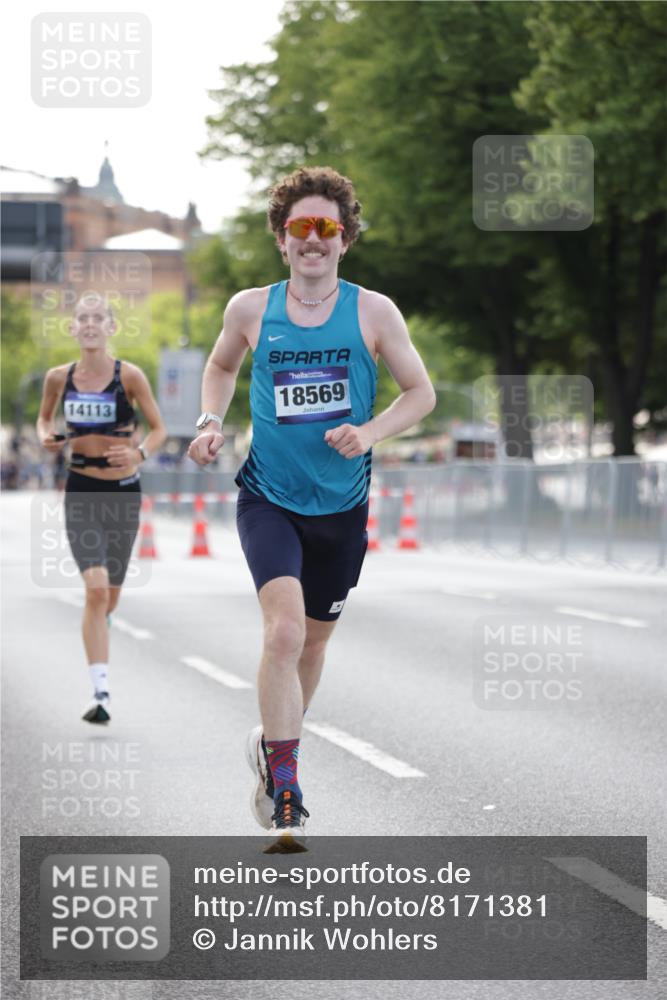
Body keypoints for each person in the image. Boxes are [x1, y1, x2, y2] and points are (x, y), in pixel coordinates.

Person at [188, 166, 436, 852]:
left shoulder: (373, 312)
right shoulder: (249, 308)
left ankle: (269, 746)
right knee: (285, 634)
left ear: (345, 239)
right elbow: (219, 366)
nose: (313, 239)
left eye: (327, 227)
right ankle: (288, 789)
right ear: (281, 238)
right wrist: (209, 421)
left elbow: (420, 394)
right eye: (301, 227)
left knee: (314, 644)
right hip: (268, 496)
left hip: (342, 508)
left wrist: (370, 433)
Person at [37, 293, 166, 723]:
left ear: (111, 328)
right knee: (94, 591)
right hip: (81, 489)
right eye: (82, 318)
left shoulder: (129, 376)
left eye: (98, 318)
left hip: (123, 494)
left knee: (109, 598)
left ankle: (102, 624)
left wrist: (139, 455)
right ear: (72, 328)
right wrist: (46, 435)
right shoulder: (59, 378)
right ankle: (102, 693)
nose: (90, 324)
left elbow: (159, 429)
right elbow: (44, 419)